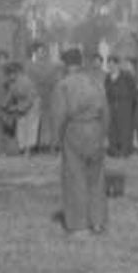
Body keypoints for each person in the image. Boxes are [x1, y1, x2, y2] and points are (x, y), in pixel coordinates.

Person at [51, 48, 109, 236]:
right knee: (96, 178)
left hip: (75, 130)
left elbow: (59, 116)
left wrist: (56, 140)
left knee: (75, 177)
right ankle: (98, 221)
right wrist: (103, 135)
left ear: (66, 65)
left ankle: (79, 225)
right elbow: (106, 112)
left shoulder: (63, 85)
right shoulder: (95, 82)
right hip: (96, 129)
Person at [24, 42, 63, 155]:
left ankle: (53, 147)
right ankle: (29, 148)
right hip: (36, 96)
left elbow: (56, 80)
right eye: (39, 52)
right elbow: (29, 81)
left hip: (49, 96)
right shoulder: (30, 66)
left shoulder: (52, 65)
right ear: (35, 53)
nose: (41, 54)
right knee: (33, 123)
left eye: (43, 52)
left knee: (52, 122)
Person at [103, 56, 136, 157]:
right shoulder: (108, 77)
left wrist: (129, 105)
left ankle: (125, 150)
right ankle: (113, 150)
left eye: (112, 64)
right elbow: (106, 91)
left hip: (124, 104)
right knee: (112, 128)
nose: (110, 67)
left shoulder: (126, 75)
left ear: (117, 65)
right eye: (109, 65)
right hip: (112, 104)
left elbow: (133, 90)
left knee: (125, 128)